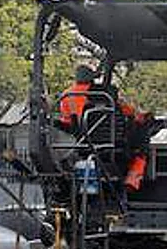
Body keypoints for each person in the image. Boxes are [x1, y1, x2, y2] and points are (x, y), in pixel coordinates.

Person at [58, 64, 153, 192]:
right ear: (92, 78)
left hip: (84, 145)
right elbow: (130, 113)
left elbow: (67, 122)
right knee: (142, 146)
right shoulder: (106, 95)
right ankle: (132, 179)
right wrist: (143, 118)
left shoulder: (66, 96)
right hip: (113, 144)